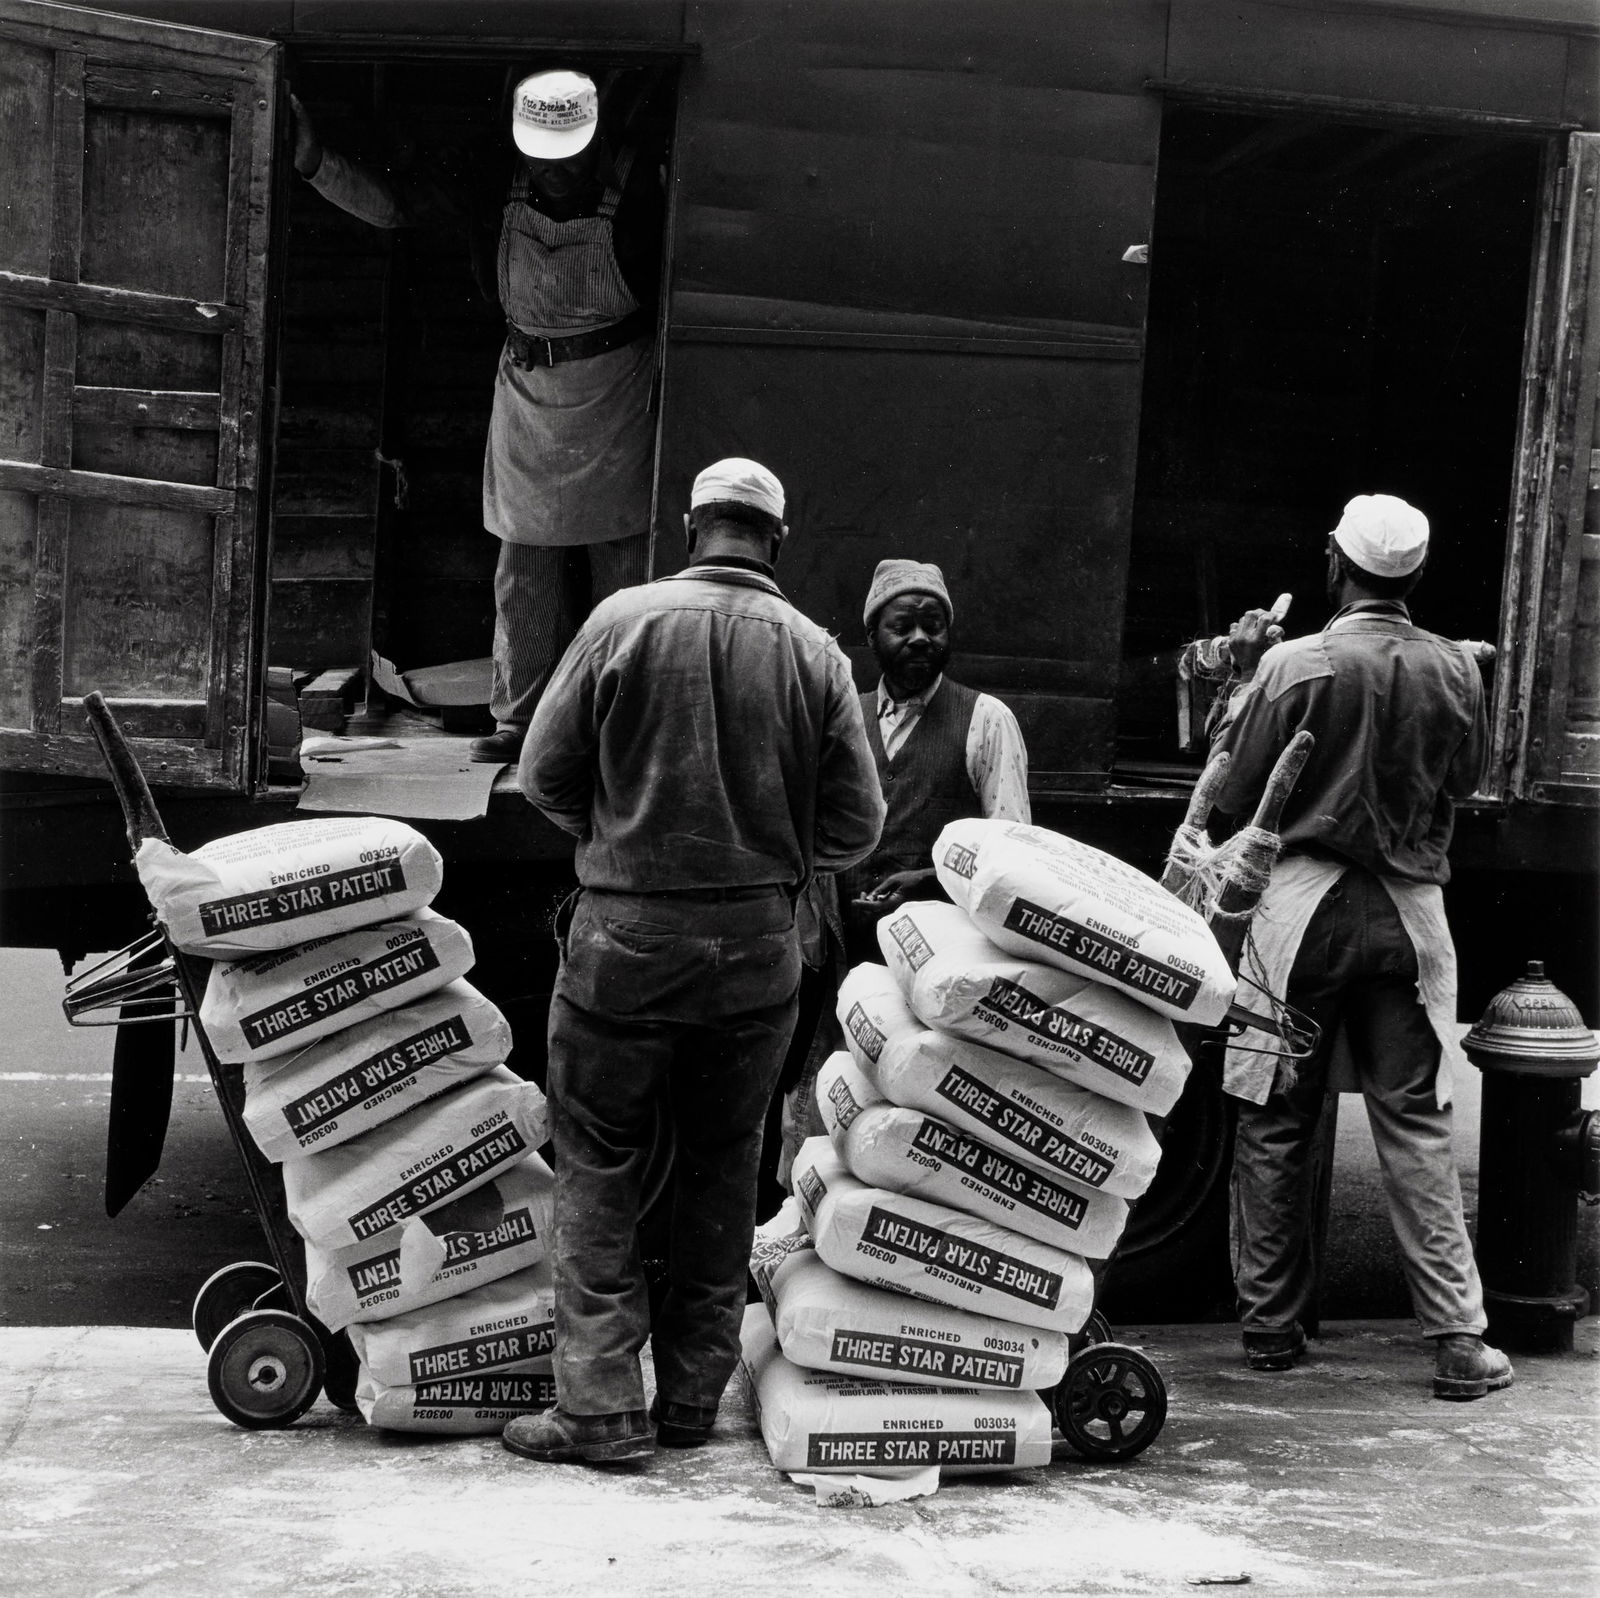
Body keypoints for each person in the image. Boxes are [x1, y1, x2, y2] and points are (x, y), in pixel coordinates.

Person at [507, 457, 884, 1464]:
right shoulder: (815, 652)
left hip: (623, 939)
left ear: (690, 529)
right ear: (778, 541)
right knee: (723, 1171)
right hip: (759, 943)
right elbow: (857, 822)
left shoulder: (621, 621)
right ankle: (686, 1401)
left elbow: (542, 774)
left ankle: (597, 1406)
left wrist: (625, 840)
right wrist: (775, 855)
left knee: (599, 1165)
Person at [1211, 493, 1513, 1400]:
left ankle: (1269, 1330)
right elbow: (1468, 779)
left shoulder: (1295, 663)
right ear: (1414, 578)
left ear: (1335, 566)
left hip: (1299, 912)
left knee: (1274, 1115)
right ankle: (1460, 1339)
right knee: (1417, 1125)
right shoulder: (1459, 669)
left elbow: (1235, 793)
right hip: (1410, 919)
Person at [289, 69, 665, 763]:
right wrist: (316, 163)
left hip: (616, 395)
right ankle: (520, 721)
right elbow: (397, 204)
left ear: (597, 143)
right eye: (541, 154)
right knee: (524, 571)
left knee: (624, 572)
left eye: (571, 154)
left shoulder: (640, 199)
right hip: (528, 396)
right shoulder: (498, 188)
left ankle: (625, 723)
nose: (555, 169)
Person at [837, 557, 1032, 960]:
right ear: (872, 636)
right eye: (902, 627)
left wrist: (930, 881)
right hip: (850, 952)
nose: (921, 638)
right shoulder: (847, 716)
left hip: (944, 953)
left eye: (933, 626)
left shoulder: (986, 719)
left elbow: (1014, 856)